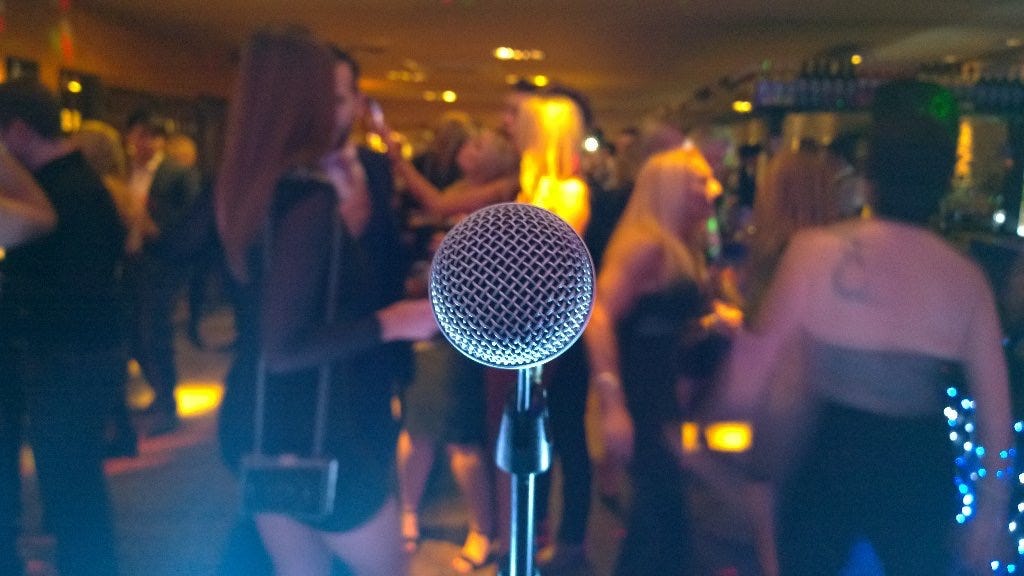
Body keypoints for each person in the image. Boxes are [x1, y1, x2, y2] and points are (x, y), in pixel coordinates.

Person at [716, 79, 1013, 575]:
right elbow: (996, 417)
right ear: (942, 183)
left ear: (869, 176)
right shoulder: (964, 278)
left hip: (827, 448)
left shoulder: (814, 251)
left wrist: (733, 451)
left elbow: (754, 371)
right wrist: (990, 512)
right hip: (917, 456)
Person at [214, 28, 437, 576]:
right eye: (326, 94)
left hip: (268, 417)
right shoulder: (302, 197)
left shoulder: (247, 184)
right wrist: (392, 321)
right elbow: (284, 345)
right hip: (316, 422)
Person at [0, 80, 125, 576]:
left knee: (71, 487)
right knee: (74, 486)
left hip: (65, 357)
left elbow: (63, 284)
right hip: (82, 354)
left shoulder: (58, 193)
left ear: (20, 131)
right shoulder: (80, 183)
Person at [583, 145, 723, 576]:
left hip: (665, 396)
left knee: (660, 519)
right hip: (644, 398)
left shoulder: (678, 247)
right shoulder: (647, 247)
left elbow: (663, 320)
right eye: (698, 181)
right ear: (670, 190)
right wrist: (612, 402)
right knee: (660, 520)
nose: (712, 189)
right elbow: (597, 314)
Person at [389, 123, 519, 573]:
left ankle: (482, 529)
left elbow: (441, 208)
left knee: (460, 434)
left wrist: (394, 152)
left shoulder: (503, 191)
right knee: (419, 422)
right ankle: (409, 513)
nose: (467, 146)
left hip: (466, 320)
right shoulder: (466, 186)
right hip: (429, 309)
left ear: (499, 159)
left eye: (477, 142)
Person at [123, 108, 202, 435]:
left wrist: (157, 227)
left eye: (154, 136)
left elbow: (190, 220)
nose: (148, 142)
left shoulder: (177, 174)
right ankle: (158, 394)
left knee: (154, 331)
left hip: (162, 264)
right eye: (141, 134)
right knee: (133, 332)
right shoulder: (124, 172)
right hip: (129, 262)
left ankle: (168, 405)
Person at [74, 119, 141, 459]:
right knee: (113, 363)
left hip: (100, 286)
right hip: (119, 284)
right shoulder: (121, 188)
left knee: (97, 365)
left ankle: (109, 432)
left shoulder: (99, 189)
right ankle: (120, 430)